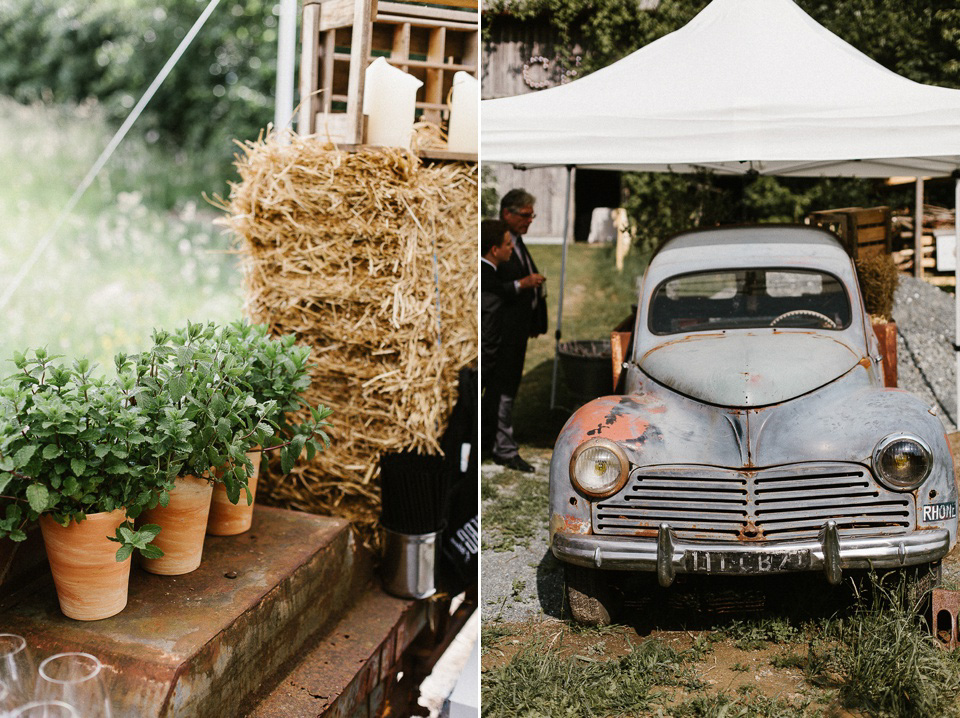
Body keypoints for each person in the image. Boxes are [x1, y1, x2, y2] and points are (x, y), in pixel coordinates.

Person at [489, 189, 547, 473]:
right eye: (525, 215)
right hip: (504, 334)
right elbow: (490, 289)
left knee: (508, 387)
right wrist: (521, 285)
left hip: (518, 332)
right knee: (503, 389)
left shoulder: (517, 242)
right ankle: (503, 447)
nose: (529, 221)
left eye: (531, 215)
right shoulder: (496, 244)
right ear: (507, 214)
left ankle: (500, 440)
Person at [480, 219, 513, 455]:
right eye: (508, 244)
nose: (511, 248)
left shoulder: (491, 275)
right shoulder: (489, 281)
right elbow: (489, 331)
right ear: (495, 249)